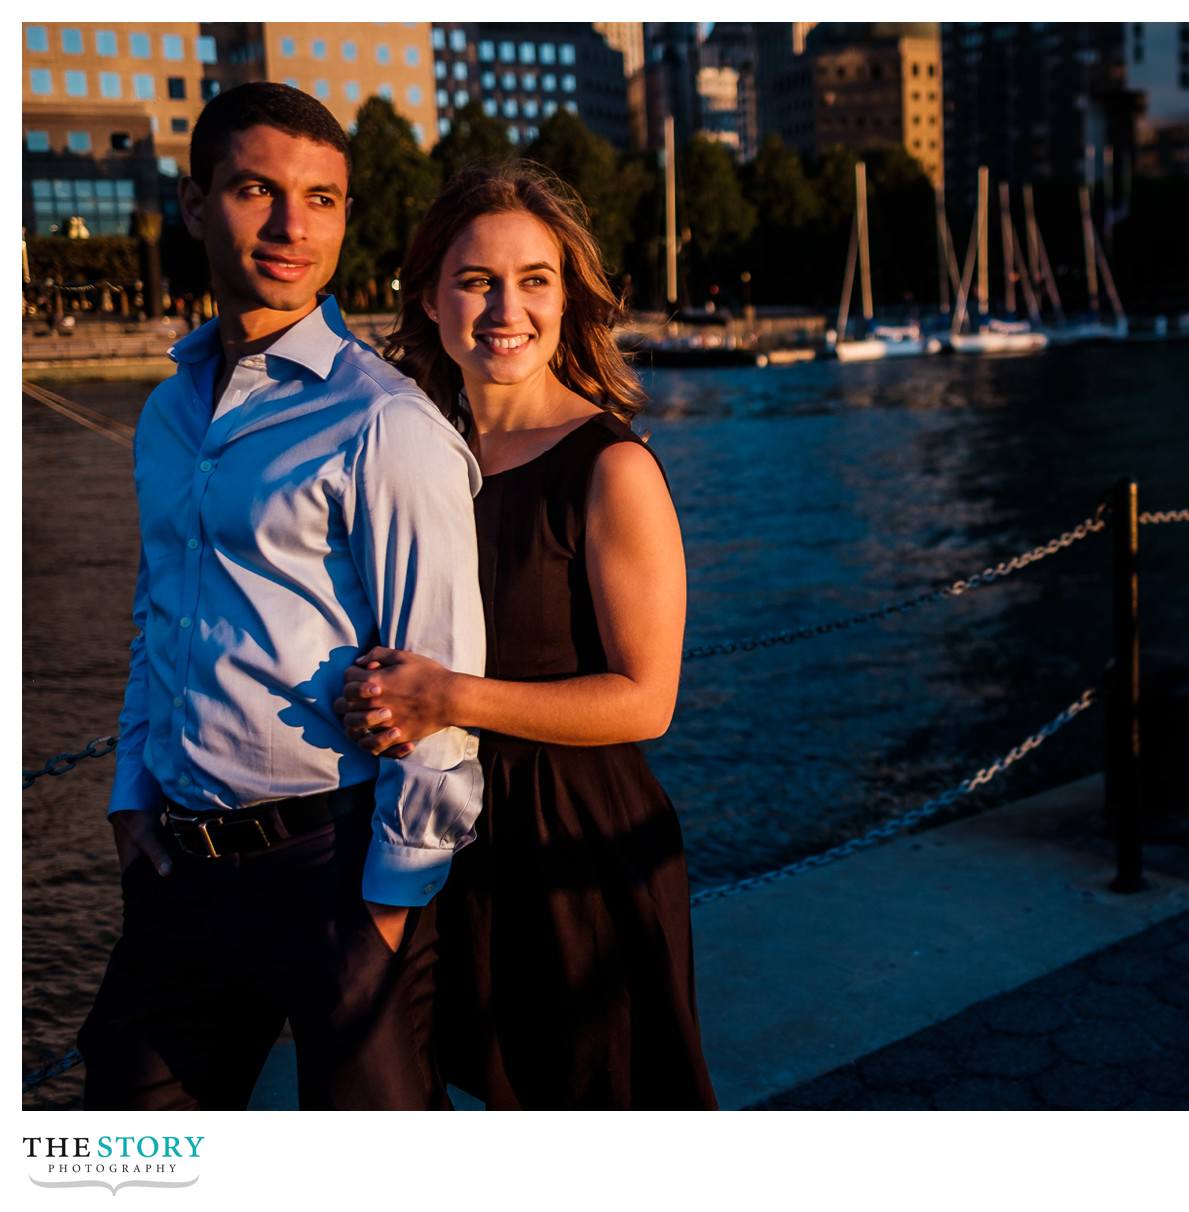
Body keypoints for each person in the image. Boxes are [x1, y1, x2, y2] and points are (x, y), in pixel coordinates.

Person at [77, 83, 486, 1111]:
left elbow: (442, 690)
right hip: (181, 866)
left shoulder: (384, 423)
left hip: (336, 869)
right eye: (259, 189)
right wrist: (132, 794)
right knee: (125, 1140)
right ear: (195, 202)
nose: (292, 226)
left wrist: (389, 917)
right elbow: (158, 613)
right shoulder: (169, 412)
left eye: (323, 198)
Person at [335, 161, 717, 1109]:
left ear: (566, 298)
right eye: (477, 280)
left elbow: (648, 700)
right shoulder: (417, 452)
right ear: (428, 296)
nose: (508, 308)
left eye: (534, 280)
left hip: (576, 850)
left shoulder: (610, 466)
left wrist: (447, 697)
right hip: (446, 841)